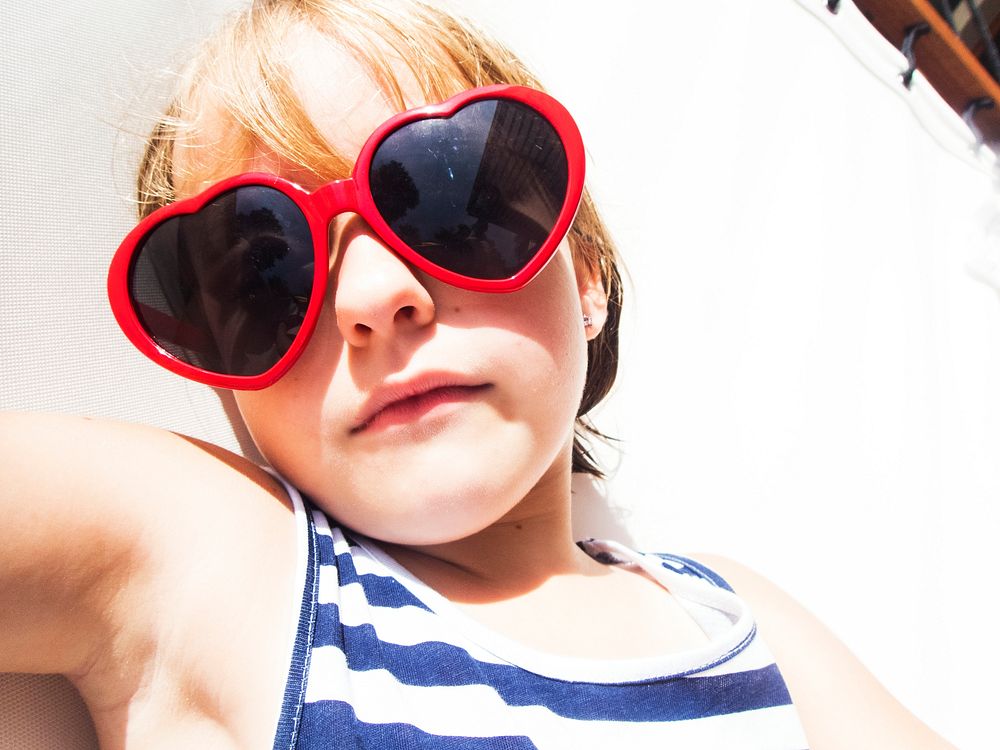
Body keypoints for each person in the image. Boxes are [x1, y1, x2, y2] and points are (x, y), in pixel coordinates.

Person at [0, 0, 957, 747]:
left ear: (585, 277)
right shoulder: (228, 563)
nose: (372, 294)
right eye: (260, 271)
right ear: (223, 376)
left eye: (451, 194)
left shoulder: (740, 618)